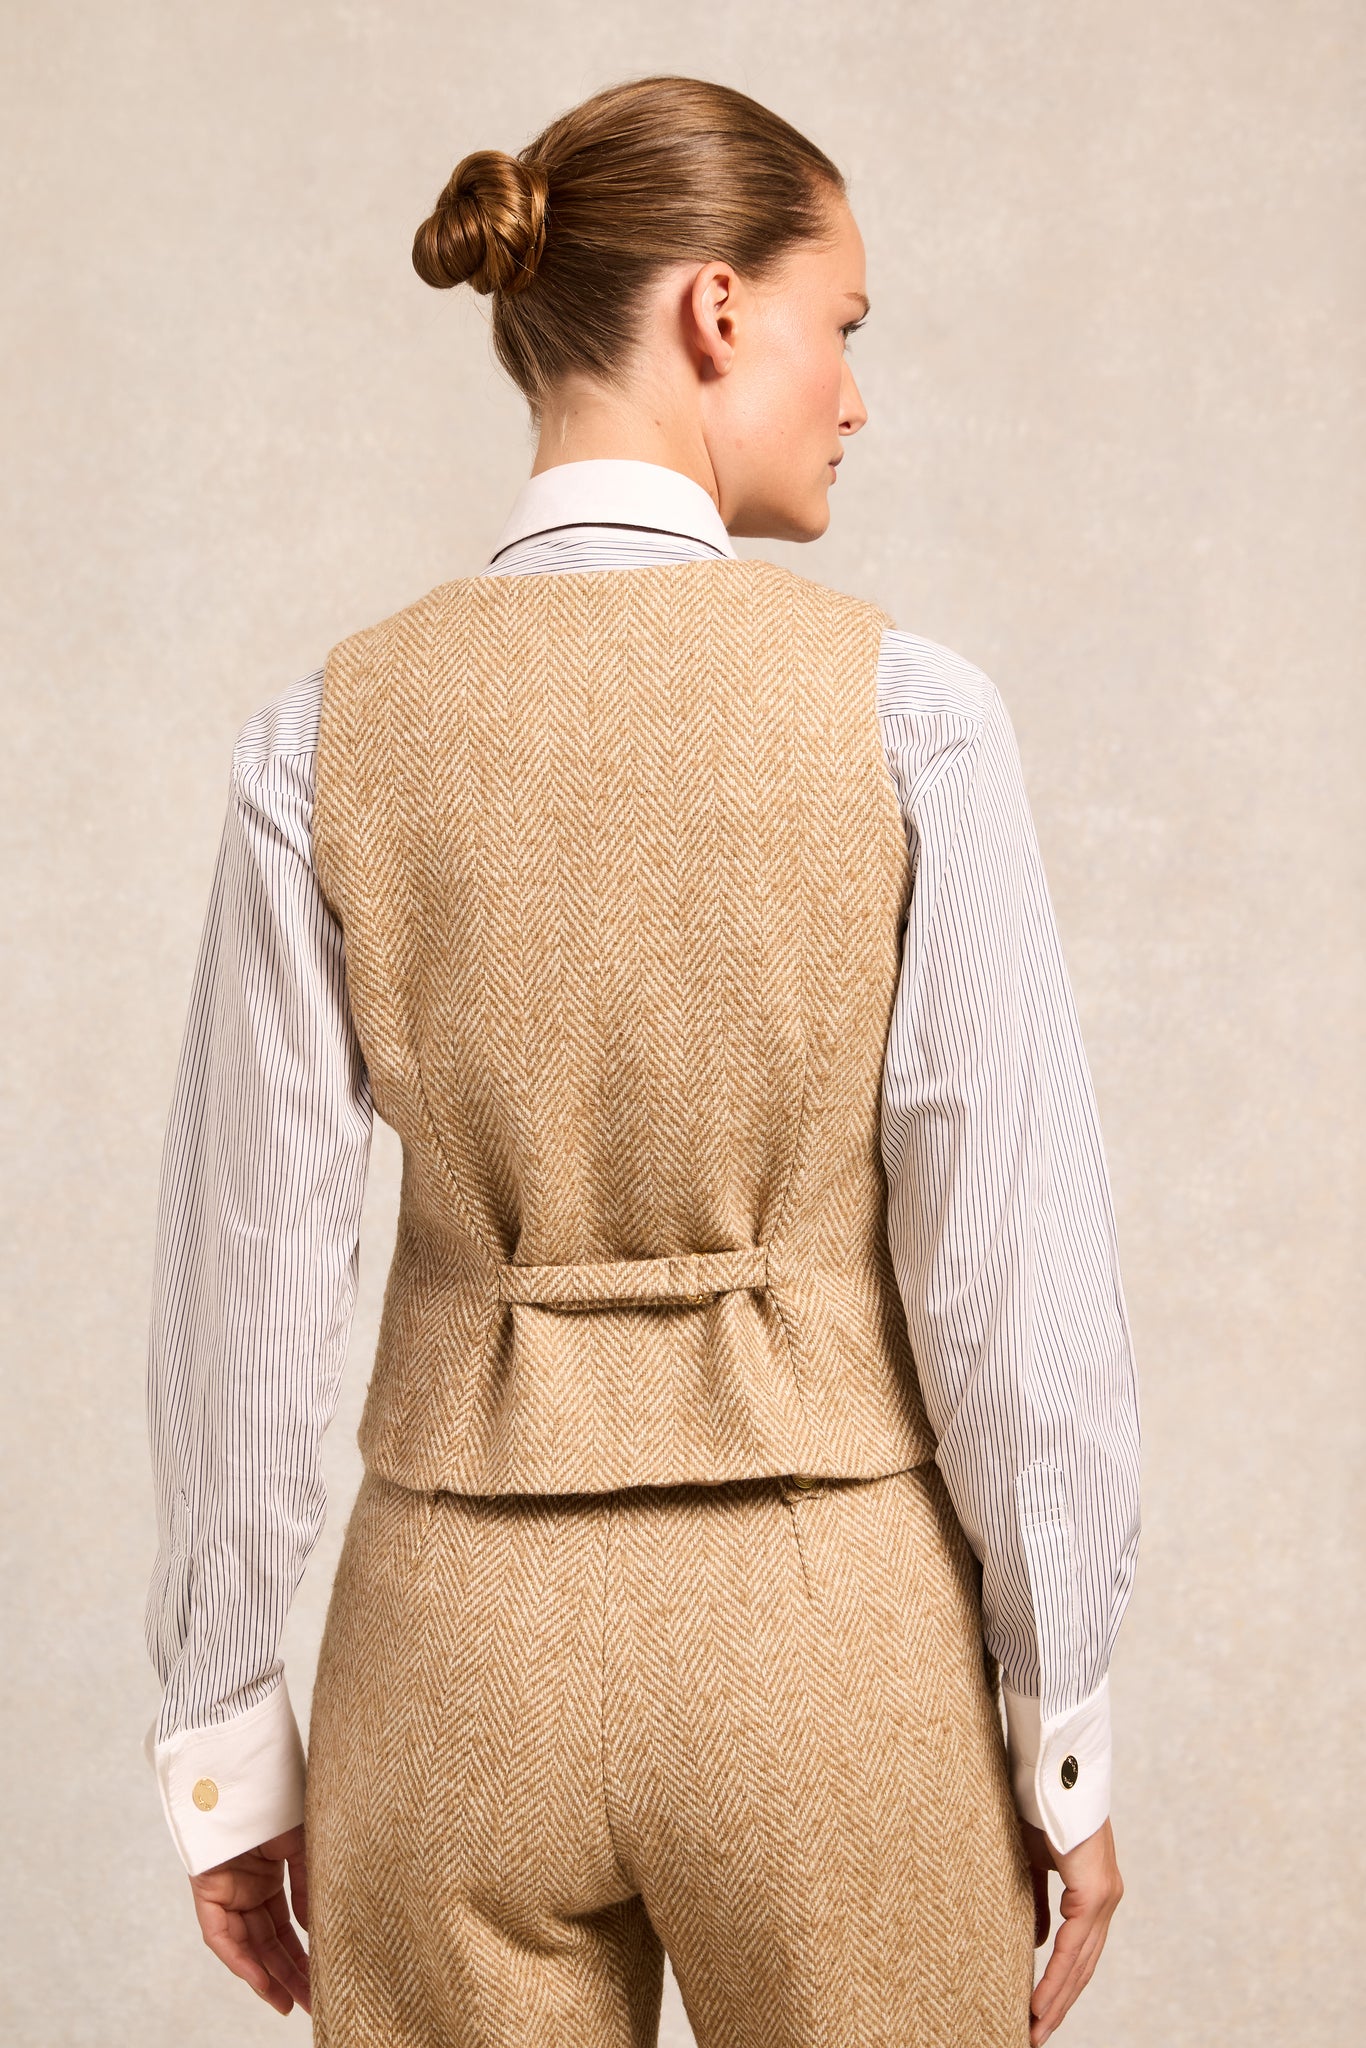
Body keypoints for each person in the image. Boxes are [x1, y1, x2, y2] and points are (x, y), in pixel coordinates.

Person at [142, 72, 1141, 2048]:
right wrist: (1061, 1719)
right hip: (829, 1639)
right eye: (840, 324)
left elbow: (246, 1285)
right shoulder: (910, 716)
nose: (853, 394)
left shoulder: (320, 738)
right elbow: (1003, 1273)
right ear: (715, 310)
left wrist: (225, 1737)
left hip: (447, 1648)